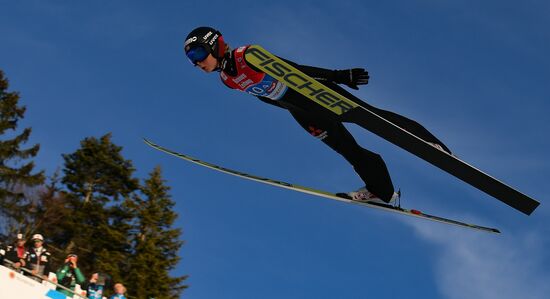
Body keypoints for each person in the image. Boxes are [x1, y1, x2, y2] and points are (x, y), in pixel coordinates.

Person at [183, 26, 451, 203]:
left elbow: (295, 70)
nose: (196, 62)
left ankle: (429, 142)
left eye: (197, 53)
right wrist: (295, 111)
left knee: (373, 118)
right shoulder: (227, 80)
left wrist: (338, 76)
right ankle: (382, 192)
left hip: (315, 93)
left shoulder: (247, 56)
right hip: (300, 111)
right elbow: (265, 97)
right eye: (191, 58)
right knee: (348, 149)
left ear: (214, 45)